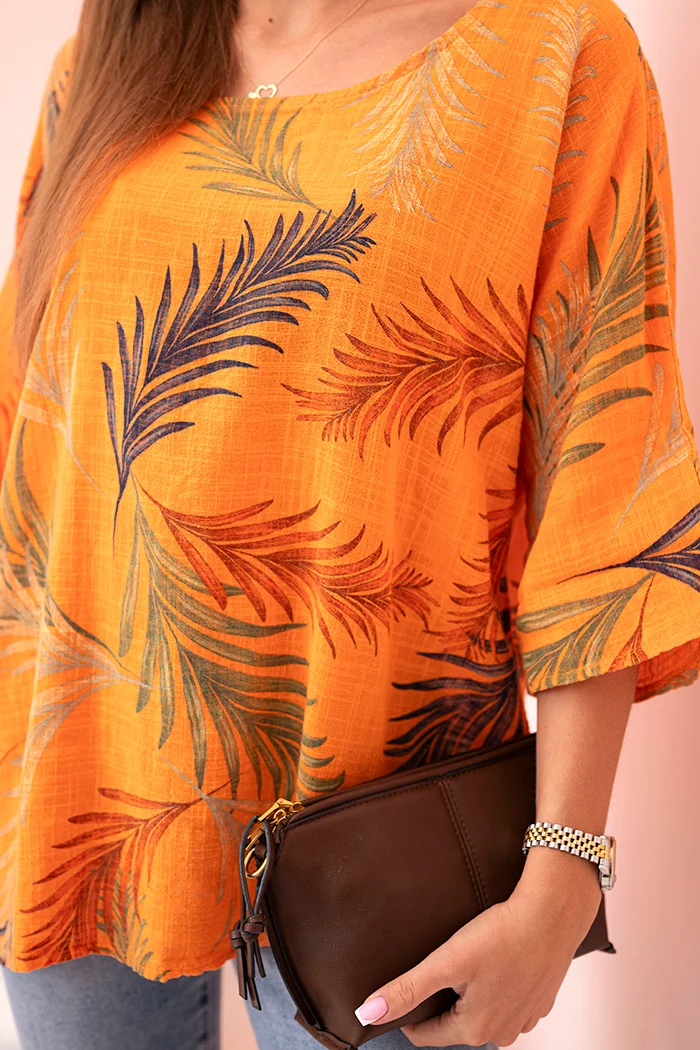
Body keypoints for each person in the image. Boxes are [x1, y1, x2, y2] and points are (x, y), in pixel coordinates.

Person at [0, 0, 698, 1047]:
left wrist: (564, 876)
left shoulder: (553, 56)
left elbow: (602, 490)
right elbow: (33, 436)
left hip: (380, 833)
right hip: (72, 800)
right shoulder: (108, 57)